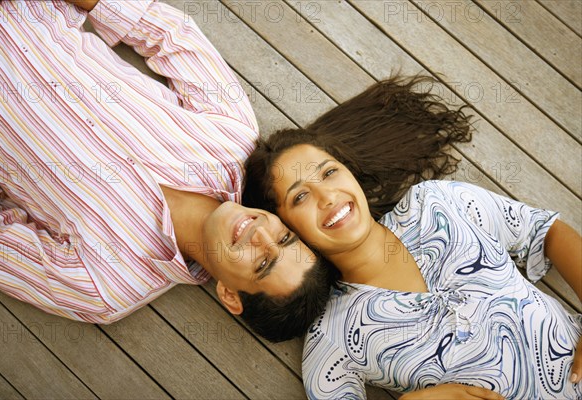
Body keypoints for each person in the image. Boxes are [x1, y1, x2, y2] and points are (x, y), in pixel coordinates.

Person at [0, 0, 330, 336]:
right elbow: (171, 34)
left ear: (229, 294)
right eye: (285, 237)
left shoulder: (107, 284)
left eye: (263, 262)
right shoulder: (232, 137)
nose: (261, 234)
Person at [242, 76, 582, 399]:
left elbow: (545, 230)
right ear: (288, 228)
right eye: (300, 197)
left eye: (329, 173)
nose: (327, 197)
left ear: (349, 172)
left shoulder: (437, 203)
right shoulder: (333, 339)